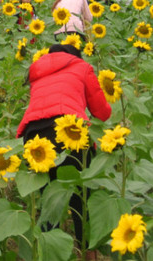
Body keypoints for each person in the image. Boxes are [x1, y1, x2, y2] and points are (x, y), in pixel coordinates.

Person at [17, 44, 110, 249]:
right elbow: (102, 112)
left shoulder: (37, 71)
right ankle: (87, 249)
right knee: (81, 194)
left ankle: (49, 248)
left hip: (34, 135)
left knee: (49, 197)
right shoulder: (82, 67)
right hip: (70, 130)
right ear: (74, 56)